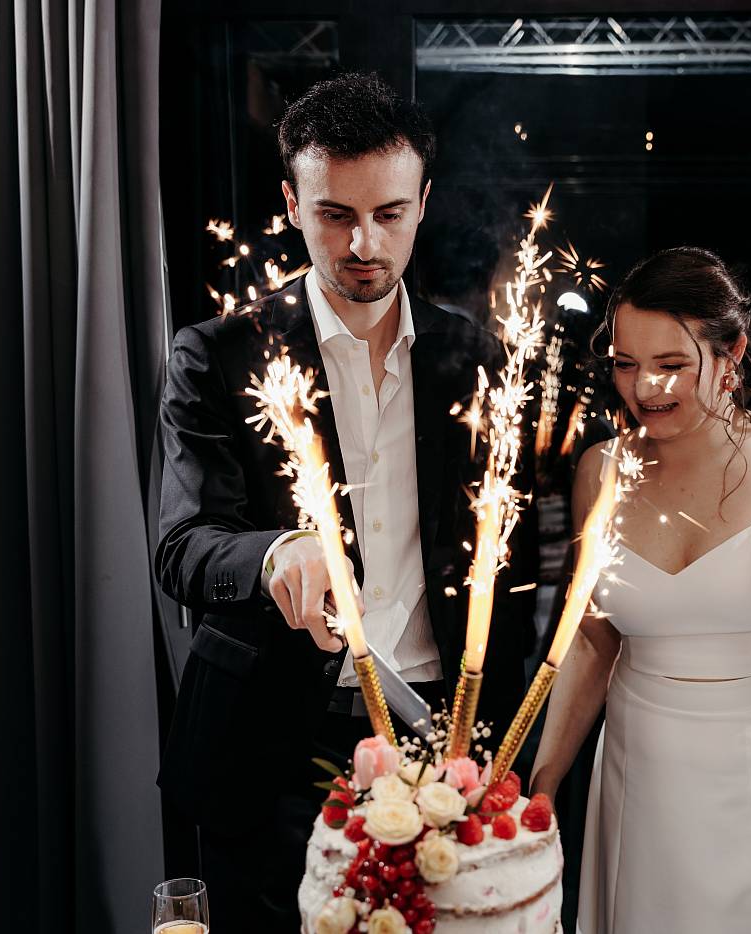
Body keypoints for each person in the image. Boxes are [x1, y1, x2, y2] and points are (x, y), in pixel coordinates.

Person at [153, 72, 534, 932]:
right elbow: (180, 547)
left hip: (445, 736)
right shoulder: (215, 357)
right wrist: (275, 552)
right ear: (291, 202)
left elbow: (508, 566)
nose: (364, 242)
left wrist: (502, 744)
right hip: (272, 744)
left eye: (389, 214)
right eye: (335, 214)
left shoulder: (483, 363)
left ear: (424, 203)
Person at [529, 247, 751, 932]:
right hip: (644, 770)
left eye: (672, 365)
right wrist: (544, 779)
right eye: (626, 364)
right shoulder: (600, 472)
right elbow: (592, 638)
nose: (645, 389)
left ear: (732, 357)